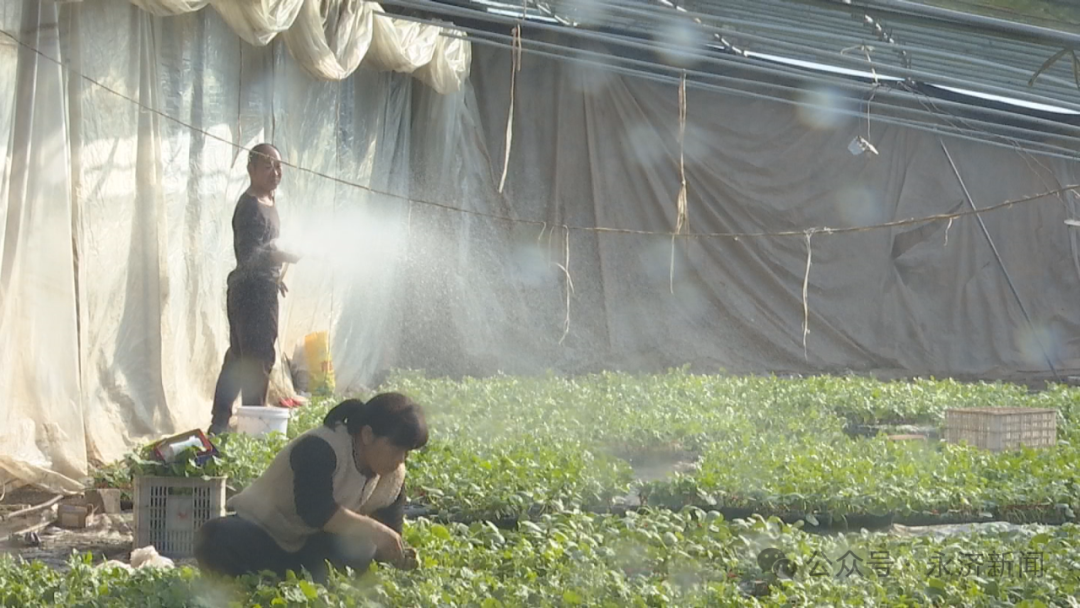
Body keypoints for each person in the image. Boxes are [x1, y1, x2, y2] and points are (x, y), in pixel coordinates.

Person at [194, 393, 427, 583]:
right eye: (396, 449)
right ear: (367, 434)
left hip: (312, 547)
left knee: (362, 548)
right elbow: (316, 512)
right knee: (215, 537)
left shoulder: (393, 475)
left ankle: (289, 583)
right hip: (265, 534)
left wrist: (397, 554)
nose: (400, 459)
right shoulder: (322, 447)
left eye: (406, 452)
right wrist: (377, 531)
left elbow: (390, 532)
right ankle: (274, 581)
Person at [209, 143, 300, 436]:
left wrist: (276, 275)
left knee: (238, 356)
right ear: (251, 170)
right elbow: (250, 255)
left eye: (279, 166)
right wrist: (283, 257)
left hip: (260, 287)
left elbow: (264, 253)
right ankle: (253, 428)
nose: (275, 172)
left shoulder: (269, 201)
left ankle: (220, 423)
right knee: (258, 360)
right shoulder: (249, 207)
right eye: (268, 166)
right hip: (251, 295)